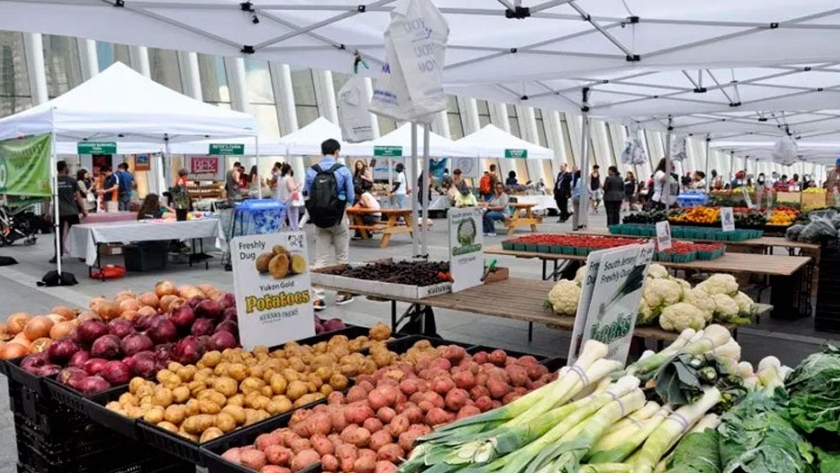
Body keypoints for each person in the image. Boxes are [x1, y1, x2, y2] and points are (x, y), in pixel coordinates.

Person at [305, 138, 355, 310]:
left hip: (319, 219)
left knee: (321, 259)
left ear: (322, 151)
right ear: (337, 152)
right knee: (342, 257)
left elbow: (307, 193)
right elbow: (350, 197)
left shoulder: (312, 171)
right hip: (338, 218)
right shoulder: (343, 171)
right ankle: (342, 293)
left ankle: (318, 298)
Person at [50, 161, 88, 263]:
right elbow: (78, 197)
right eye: (67, 166)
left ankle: (57, 256)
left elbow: (47, 198)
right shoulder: (72, 181)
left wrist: (47, 213)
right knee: (77, 234)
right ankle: (81, 255)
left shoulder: (53, 181)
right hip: (72, 211)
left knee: (58, 235)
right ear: (64, 168)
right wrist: (84, 210)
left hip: (59, 212)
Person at [277, 163, 304, 230]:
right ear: (289, 170)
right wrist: (298, 185)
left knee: (282, 215)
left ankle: (278, 227)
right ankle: (294, 228)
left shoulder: (280, 178)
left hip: (281, 198)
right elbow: (292, 188)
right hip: (289, 199)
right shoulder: (288, 178)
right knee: (293, 215)